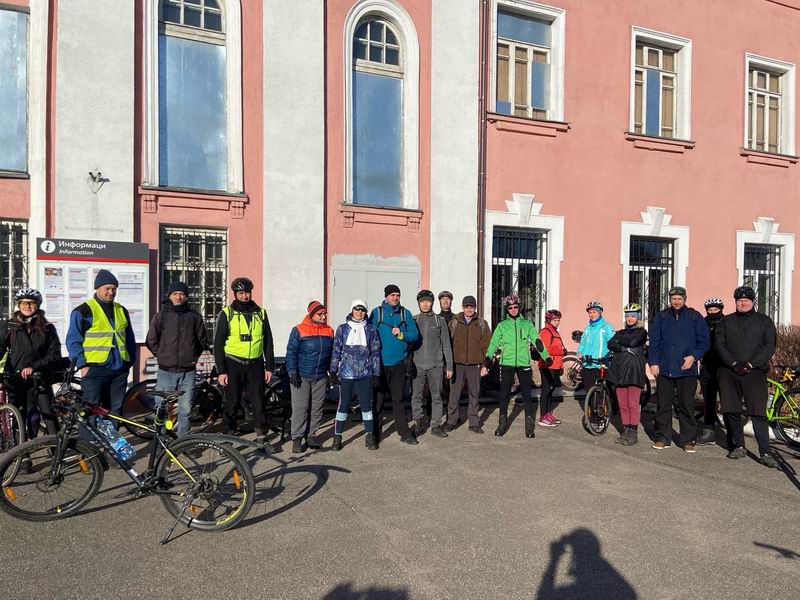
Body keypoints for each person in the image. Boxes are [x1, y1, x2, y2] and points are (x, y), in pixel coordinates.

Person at [715, 286, 778, 468]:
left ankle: (765, 452)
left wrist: (752, 364)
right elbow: (720, 344)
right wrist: (733, 363)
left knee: (758, 413)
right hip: (729, 372)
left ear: (752, 302)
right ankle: (739, 446)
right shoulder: (725, 322)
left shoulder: (764, 322)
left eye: (746, 301)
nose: (743, 303)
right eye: (739, 300)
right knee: (732, 411)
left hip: (755, 373)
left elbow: (769, 345)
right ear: (735, 302)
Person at [213, 276, 275, 451]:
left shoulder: (261, 313)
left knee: (258, 401)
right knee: (232, 402)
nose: (245, 296)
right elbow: (218, 343)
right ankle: (227, 435)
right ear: (235, 294)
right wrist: (221, 371)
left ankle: (262, 436)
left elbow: (268, 341)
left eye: (247, 292)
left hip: (255, 363)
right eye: (241, 293)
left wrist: (269, 366)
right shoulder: (227, 313)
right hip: (233, 363)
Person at [66, 269, 137, 418]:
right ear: (97, 288)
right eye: (107, 288)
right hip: (95, 369)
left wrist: (129, 361)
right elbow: (73, 341)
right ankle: (88, 442)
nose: (111, 292)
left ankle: (111, 441)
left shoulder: (121, 310)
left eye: (114, 289)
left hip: (119, 369)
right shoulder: (83, 311)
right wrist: (83, 365)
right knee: (90, 409)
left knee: (114, 411)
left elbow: (129, 338)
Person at [648, 286, 710, 453]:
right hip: (665, 369)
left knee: (687, 406)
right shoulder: (661, 317)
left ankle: (688, 439)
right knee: (663, 405)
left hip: (686, 370)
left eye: (679, 299)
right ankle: (662, 437)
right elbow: (654, 342)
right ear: (670, 299)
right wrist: (653, 362)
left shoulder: (694, 317)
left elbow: (704, 341)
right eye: (673, 298)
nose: (676, 301)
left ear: (685, 299)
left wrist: (693, 357)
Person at [145, 280, 208, 436]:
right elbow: (151, 340)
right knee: (162, 409)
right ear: (170, 296)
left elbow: (202, 341)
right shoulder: (161, 316)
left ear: (186, 297)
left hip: (188, 372)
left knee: (185, 410)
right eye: (175, 294)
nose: (178, 297)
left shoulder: (194, 316)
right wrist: (162, 355)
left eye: (182, 294)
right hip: (166, 371)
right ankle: (160, 441)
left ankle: (183, 442)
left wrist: (193, 357)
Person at [483, 294, 550, 438]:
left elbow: (537, 341)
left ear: (519, 308)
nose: (513, 310)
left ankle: (529, 427)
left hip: (523, 364)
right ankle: (502, 424)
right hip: (506, 363)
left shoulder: (527, 325)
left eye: (515, 307)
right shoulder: (502, 325)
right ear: (507, 310)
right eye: (510, 308)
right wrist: (487, 359)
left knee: (526, 395)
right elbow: (493, 343)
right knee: (504, 395)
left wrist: (547, 356)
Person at [0, 288, 62, 437]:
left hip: (40, 378)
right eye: (24, 303)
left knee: (48, 415)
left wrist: (34, 367)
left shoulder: (47, 328)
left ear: (38, 305)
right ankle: (22, 456)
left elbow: (54, 355)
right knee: (19, 416)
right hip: (16, 379)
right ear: (19, 305)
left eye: (31, 303)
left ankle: (57, 452)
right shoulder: (9, 326)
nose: (27, 306)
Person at [369, 285, 420, 445]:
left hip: (398, 364)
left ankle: (404, 433)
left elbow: (415, 335)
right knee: (378, 400)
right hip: (380, 365)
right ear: (386, 296)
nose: (395, 298)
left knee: (399, 400)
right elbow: (368, 334)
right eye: (392, 295)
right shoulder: (377, 313)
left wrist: (401, 334)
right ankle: (375, 435)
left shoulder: (406, 313)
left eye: (398, 295)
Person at [330, 299, 382, 451]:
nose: (360, 312)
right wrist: (333, 371)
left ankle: (370, 435)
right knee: (343, 404)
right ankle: (337, 436)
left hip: (365, 374)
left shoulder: (371, 330)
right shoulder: (342, 329)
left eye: (363, 310)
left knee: (366, 405)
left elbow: (375, 353)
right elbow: (336, 351)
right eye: (357, 309)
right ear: (351, 310)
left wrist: (376, 373)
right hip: (347, 373)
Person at [285, 301, 334, 453]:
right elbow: (291, 352)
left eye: (325, 313)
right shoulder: (299, 330)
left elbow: (333, 354)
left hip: (320, 376)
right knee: (300, 408)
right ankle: (297, 438)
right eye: (320, 314)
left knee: (317, 408)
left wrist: (332, 371)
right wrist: (292, 372)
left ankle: (311, 435)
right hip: (302, 376)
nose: (323, 316)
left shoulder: (329, 331)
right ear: (312, 315)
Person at [410, 290, 453, 438]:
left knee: (437, 397)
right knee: (416, 397)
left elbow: (446, 344)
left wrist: (450, 366)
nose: (425, 304)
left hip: (436, 365)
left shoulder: (439, 320)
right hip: (418, 366)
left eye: (428, 301)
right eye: (422, 301)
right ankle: (419, 423)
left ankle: (435, 425)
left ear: (432, 303)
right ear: (419, 303)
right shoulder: (413, 320)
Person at [446, 296, 491, 433]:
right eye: (467, 306)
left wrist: (485, 365)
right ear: (462, 307)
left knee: (474, 394)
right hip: (457, 364)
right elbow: (447, 344)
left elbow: (487, 345)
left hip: (474, 365)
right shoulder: (454, 322)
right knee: (454, 395)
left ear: (475, 308)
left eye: (472, 306)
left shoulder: (482, 323)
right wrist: (447, 365)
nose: (469, 309)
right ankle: (452, 421)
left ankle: (474, 422)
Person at [607, 304, 648, 446]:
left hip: (634, 371)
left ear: (637, 317)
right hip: (619, 371)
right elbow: (610, 344)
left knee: (632, 404)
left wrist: (620, 342)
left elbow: (633, 341)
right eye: (627, 316)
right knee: (623, 404)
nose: (630, 318)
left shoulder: (641, 332)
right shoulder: (620, 332)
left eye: (633, 316)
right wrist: (625, 348)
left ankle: (633, 431)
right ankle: (625, 429)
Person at [697, 297, 725, 445]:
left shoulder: (727, 323)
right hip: (707, 367)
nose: (713, 312)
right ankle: (708, 430)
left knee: (727, 401)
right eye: (710, 310)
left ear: (721, 309)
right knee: (709, 401)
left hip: (724, 367)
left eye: (716, 310)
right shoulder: (702, 324)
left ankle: (731, 433)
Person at [576, 301, 615, 393]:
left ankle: (605, 405)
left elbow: (613, 343)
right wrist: (579, 352)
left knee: (602, 391)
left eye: (594, 312)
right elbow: (582, 344)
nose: (592, 314)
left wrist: (610, 354)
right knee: (588, 391)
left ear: (600, 312)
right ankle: (590, 407)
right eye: (590, 312)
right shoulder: (587, 328)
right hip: (587, 363)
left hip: (600, 363)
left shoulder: (606, 327)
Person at [538, 309, 565, 427]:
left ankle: (548, 414)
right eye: (555, 320)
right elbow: (544, 349)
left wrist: (561, 365)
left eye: (558, 320)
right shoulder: (546, 332)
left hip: (555, 365)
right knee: (546, 390)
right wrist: (561, 350)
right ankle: (543, 416)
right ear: (549, 320)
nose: (557, 322)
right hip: (547, 366)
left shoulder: (555, 332)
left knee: (551, 390)